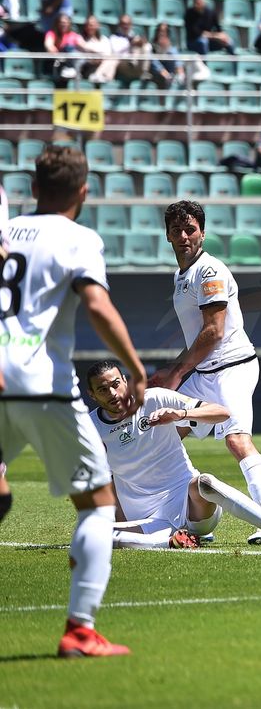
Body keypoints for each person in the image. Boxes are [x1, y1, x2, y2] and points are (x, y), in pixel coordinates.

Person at [0, 146, 147, 656]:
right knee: (97, 503)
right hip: (41, 383)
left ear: (34, 187)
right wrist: (136, 364)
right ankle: (80, 630)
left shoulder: (7, 231)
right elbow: (96, 302)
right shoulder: (79, 237)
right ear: (83, 193)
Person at [147, 200, 261, 545]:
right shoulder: (182, 275)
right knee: (166, 438)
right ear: (167, 235)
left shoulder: (209, 272)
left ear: (202, 233)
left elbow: (213, 333)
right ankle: (184, 520)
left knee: (236, 440)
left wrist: (177, 373)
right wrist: (174, 369)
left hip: (232, 369)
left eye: (190, 229)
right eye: (176, 230)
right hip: (206, 372)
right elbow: (199, 338)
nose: (183, 235)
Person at [84, 361, 261, 550]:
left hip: (192, 506)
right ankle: (171, 542)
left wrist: (180, 414)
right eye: (103, 390)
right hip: (147, 520)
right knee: (94, 532)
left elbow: (221, 413)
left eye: (116, 384)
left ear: (124, 380)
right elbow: (105, 481)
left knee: (204, 482)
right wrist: (122, 526)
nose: (113, 394)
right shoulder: (91, 428)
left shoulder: (156, 398)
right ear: (92, 395)